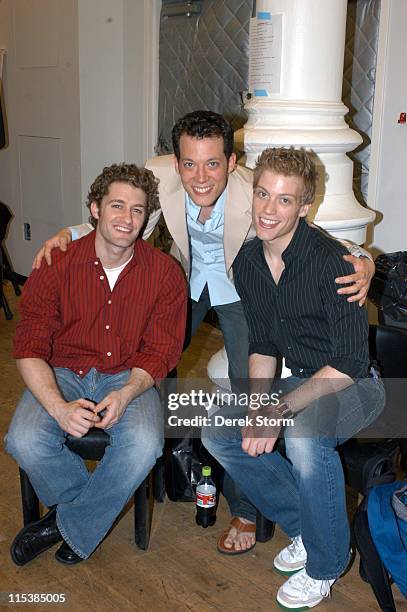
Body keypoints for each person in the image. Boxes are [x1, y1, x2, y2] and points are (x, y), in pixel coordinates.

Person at [32, 111, 375, 556]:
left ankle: (246, 507)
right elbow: (120, 211)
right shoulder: (157, 176)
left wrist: (361, 258)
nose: (200, 175)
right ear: (175, 163)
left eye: (213, 163)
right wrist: (69, 232)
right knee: (148, 363)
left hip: (239, 288)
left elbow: (309, 230)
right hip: (183, 281)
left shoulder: (256, 191)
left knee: (247, 385)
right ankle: (145, 458)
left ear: (231, 163)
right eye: (189, 164)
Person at [202, 147, 385, 608]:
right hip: (303, 378)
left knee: (304, 435)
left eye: (284, 200)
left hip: (358, 385)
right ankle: (309, 528)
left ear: (305, 206)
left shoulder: (334, 264)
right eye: (263, 194)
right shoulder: (248, 264)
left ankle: (326, 564)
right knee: (218, 430)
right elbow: (264, 343)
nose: (268, 209)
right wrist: (257, 406)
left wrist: (277, 411)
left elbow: (348, 364)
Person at [5, 163, 187, 565]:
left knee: (144, 444)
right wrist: (57, 407)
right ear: (94, 209)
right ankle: (85, 515)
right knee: (23, 440)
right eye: (117, 206)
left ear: (147, 217)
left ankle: (61, 523)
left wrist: (126, 393)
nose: (126, 219)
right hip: (63, 371)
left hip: (127, 374)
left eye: (137, 210)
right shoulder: (55, 263)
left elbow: (160, 351)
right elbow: (29, 344)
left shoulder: (165, 274)